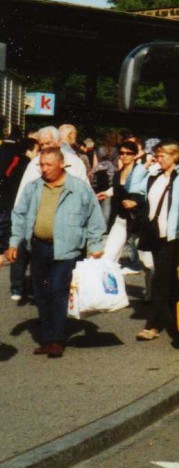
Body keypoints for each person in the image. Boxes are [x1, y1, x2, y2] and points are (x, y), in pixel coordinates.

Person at [6, 146, 106, 357]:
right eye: (41, 164)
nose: (44, 169)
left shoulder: (78, 188)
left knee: (57, 291)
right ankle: (47, 337)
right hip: (39, 248)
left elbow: (94, 218)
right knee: (41, 294)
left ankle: (57, 340)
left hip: (67, 250)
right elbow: (19, 215)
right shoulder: (34, 187)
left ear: (62, 164)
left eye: (49, 165)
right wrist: (14, 243)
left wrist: (95, 245)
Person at [137, 141, 179, 341]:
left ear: (175, 156)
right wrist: (145, 165)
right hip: (155, 234)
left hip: (172, 235)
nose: (159, 159)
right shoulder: (155, 174)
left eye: (162, 155)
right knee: (170, 281)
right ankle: (178, 323)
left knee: (160, 282)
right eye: (157, 155)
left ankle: (161, 327)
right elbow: (134, 186)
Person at [100, 140, 148, 266]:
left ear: (135, 155)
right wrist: (107, 193)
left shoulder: (142, 172)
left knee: (147, 262)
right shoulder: (117, 174)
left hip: (138, 221)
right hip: (121, 220)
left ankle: (154, 286)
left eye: (129, 153)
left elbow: (149, 194)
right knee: (108, 256)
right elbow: (118, 191)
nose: (125, 155)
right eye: (121, 153)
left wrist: (136, 202)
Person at [1, 137, 37, 301]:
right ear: (29, 150)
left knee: (18, 246)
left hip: (10, 204)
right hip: (18, 207)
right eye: (37, 150)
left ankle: (17, 287)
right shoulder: (27, 165)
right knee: (21, 246)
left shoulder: (16, 160)